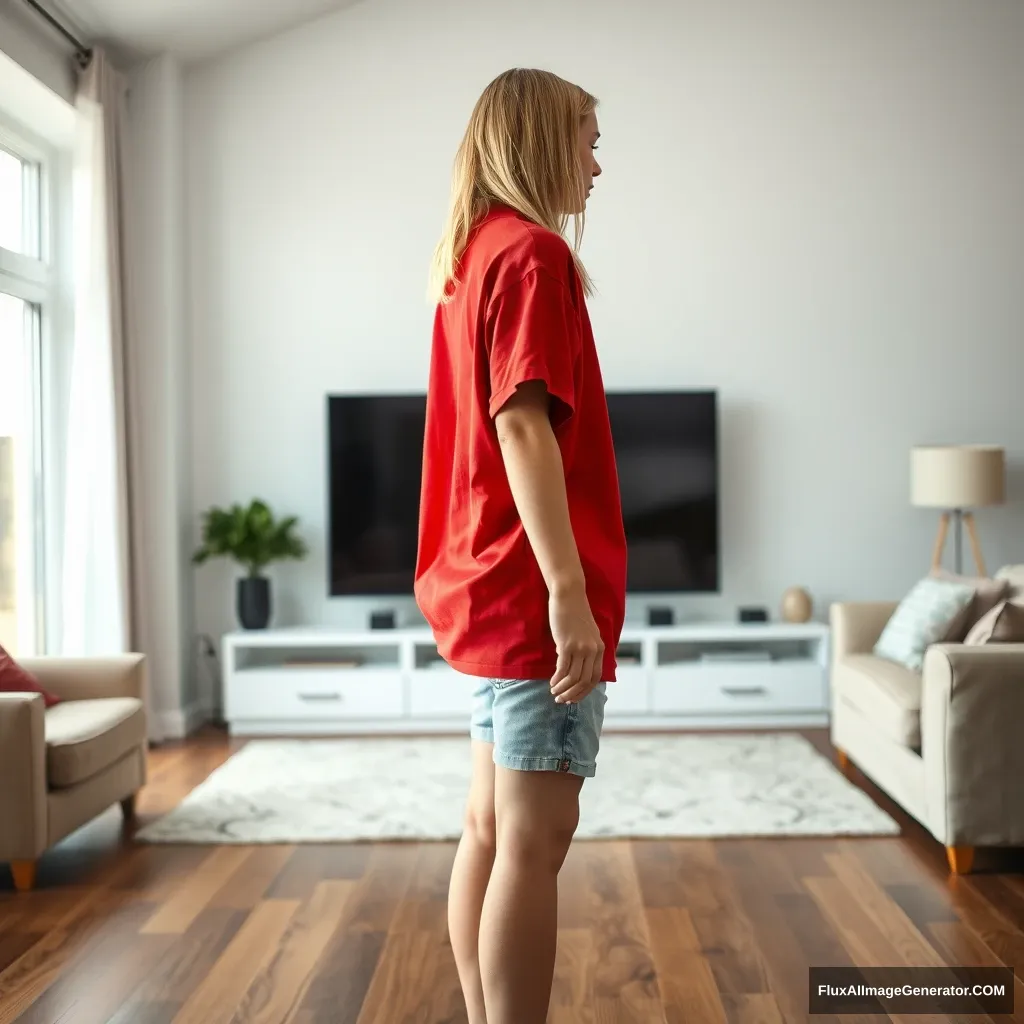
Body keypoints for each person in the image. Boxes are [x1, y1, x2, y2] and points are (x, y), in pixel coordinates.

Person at [414, 67, 627, 1024]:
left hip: (484, 580)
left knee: (490, 829)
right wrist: (569, 594)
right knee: (535, 842)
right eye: (587, 139)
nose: (596, 165)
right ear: (542, 142)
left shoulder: (473, 254)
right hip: (528, 589)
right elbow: (524, 427)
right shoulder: (534, 254)